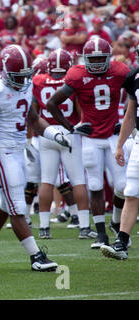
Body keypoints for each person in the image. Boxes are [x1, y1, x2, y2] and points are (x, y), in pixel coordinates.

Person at [0, 44, 68, 272]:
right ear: (3, 71)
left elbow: (33, 120)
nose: (22, 81)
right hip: (1, 151)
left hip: (18, 149)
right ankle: (36, 256)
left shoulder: (25, 85)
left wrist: (56, 133)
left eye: (25, 76)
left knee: (6, 204)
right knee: (17, 207)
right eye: (17, 76)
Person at [46, 38, 130, 249]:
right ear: (86, 59)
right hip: (91, 138)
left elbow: (134, 96)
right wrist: (71, 127)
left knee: (122, 186)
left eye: (101, 58)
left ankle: (117, 222)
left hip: (113, 136)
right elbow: (51, 103)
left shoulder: (120, 70)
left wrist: (125, 120)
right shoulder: (77, 74)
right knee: (94, 185)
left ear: (109, 57)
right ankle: (101, 234)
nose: (98, 62)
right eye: (93, 59)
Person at [32, 48, 96, 240]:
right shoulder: (72, 80)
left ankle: (44, 228)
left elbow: (34, 112)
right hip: (69, 132)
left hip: (47, 133)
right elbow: (80, 110)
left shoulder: (39, 81)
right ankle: (84, 226)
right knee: (78, 180)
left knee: (46, 180)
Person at [100, 45, 139, 260]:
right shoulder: (135, 76)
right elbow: (130, 114)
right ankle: (121, 242)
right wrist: (119, 145)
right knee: (131, 191)